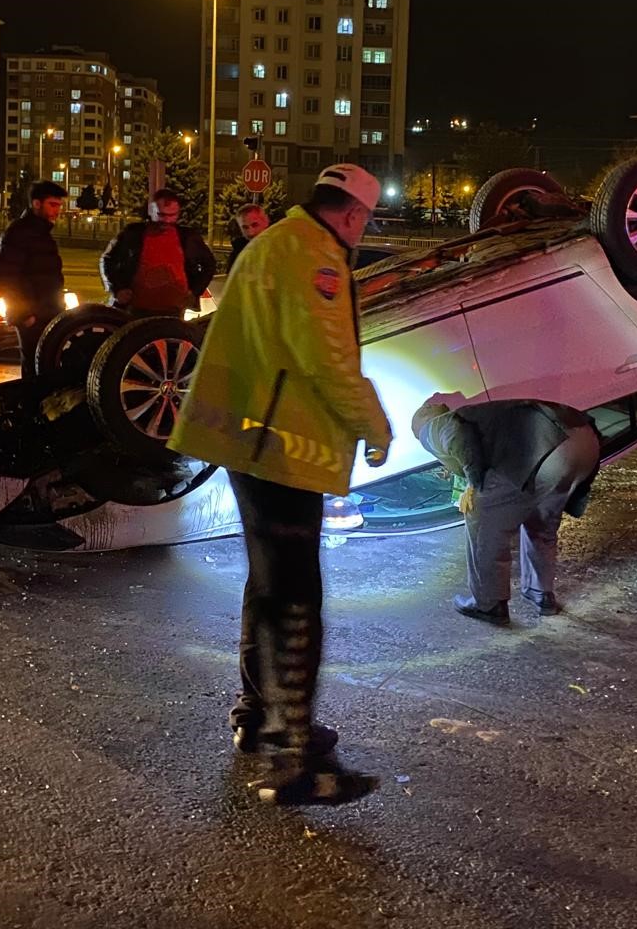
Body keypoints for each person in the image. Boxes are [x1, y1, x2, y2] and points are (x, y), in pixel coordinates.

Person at [169, 164, 392, 807]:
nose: (362, 231)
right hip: (280, 446)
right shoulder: (313, 257)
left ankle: (257, 717)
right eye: (365, 221)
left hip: (255, 440)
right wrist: (373, 423)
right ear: (352, 215)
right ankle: (294, 760)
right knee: (295, 597)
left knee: (269, 584)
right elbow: (325, 357)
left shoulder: (276, 242)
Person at [411, 395, 602, 625]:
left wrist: (473, 486)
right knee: (540, 521)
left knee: (481, 517)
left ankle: (488, 603)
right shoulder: (483, 415)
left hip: (546, 447)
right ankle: (540, 593)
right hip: (584, 441)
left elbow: (460, 439)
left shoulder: (430, 427)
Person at [100, 187, 216, 318]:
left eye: (171, 215)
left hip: (174, 310)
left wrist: (195, 291)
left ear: (178, 214)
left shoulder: (187, 237)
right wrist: (117, 289)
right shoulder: (133, 234)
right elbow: (108, 259)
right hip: (135, 308)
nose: (166, 220)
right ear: (151, 210)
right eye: (161, 215)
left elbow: (209, 264)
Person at [0, 180, 68, 375]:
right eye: (52, 204)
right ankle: (29, 404)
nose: (57, 210)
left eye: (59, 205)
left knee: (47, 367)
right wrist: (24, 315)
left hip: (49, 314)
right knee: (34, 369)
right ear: (36, 203)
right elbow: (5, 276)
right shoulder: (19, 233)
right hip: (32, 317)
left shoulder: (43, 235)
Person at [226, 203, 271, 273]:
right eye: (245, 227)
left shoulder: (279, 248)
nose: (251, 232)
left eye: (255, 225)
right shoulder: (238, 252)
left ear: (266, 221)